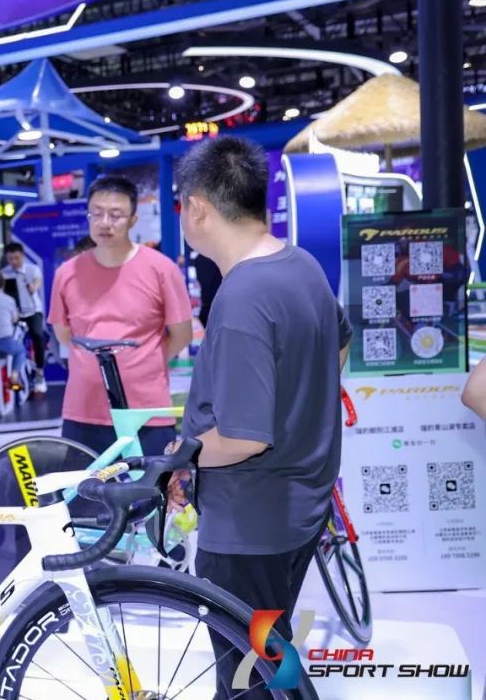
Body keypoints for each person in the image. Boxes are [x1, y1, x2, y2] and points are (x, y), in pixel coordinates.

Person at [171, 136, 352, 699]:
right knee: (268, 654)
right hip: (298, 508)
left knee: (245, 675)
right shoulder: (300, 265)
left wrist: (180, 458)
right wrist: (301, 403)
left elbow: (244, 438)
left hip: (250, 522)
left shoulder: (242, 296)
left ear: (197, 208)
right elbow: (340, 343)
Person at [48, 175, 193, 457]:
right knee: (82, 485)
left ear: (133, 220)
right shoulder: (66, 274)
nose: (105, 223)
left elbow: (182, 334)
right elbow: (64, 333)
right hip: (83, 411)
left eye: (115, 215)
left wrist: (146, 361)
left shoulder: (161, 269)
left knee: (152, 486)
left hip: (146, 412)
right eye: (97, 213)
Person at [1, 242, 48, 394]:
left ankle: (39, 374)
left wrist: (29, 284)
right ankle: (15, 377)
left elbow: (36, 285)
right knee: (12, 342)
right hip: (15, 313)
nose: (13, 262)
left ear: (22, 255)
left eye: (16, 258)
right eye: (10, 258)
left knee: (38, 337)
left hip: (33, 311)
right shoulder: (4, 273)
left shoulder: (32, 269)